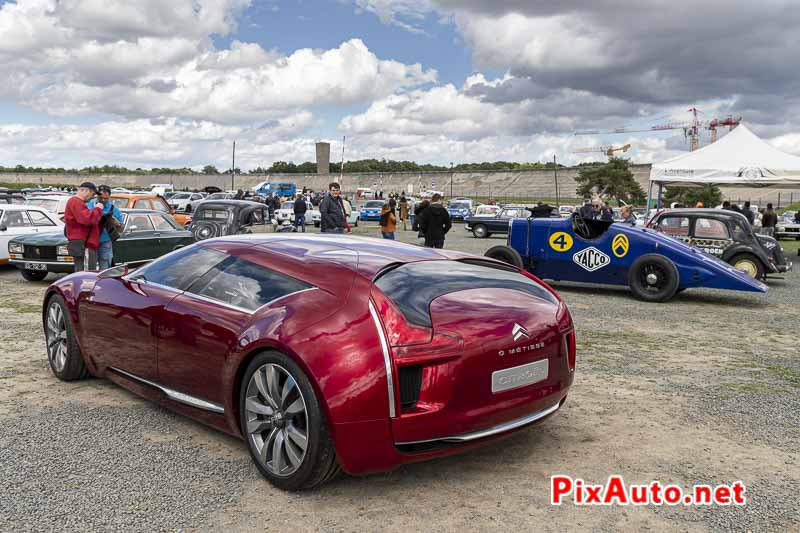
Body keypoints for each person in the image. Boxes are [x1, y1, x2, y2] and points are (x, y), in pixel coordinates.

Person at [64, 182, 104, 272]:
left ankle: (81, 285)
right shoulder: (76, 202)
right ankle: (85, 286)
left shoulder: (75, 202)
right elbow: (87, 219)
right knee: (87, 272)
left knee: (81, 270)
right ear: (85, 191)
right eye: (93, 194)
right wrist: (98, 209)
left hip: (80, 242)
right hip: (85, 243)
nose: (93, 197)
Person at [87, 185, 123, 269]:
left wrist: (117, 224)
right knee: (90, 267)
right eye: (101, 198)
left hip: (105, 241)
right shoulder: (89, 205)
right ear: (97, 195)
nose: (103, 200)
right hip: (90, 241)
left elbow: (121, 229)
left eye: (106, 198)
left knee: (105, 266)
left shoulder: (114, 209)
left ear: (109, 196)